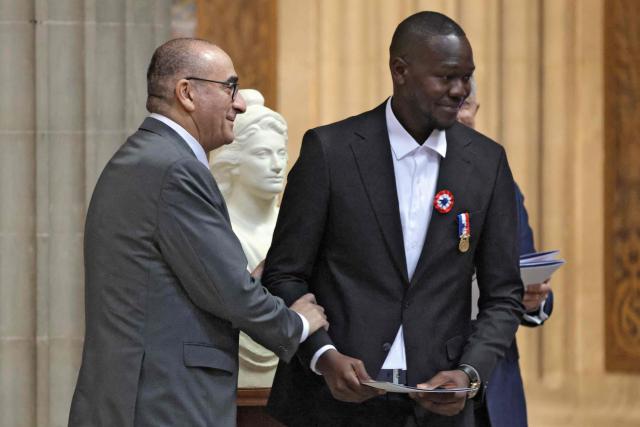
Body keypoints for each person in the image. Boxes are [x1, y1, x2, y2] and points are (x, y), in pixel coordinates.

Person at [263, 11, 525, 427]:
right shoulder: (330, 151)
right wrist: (322, 354)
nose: (460, 91)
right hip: (332, 405)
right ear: (400, 70)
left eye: (467, 78)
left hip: (439, 408)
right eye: (446, 77)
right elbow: (283, 275)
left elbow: (504, 295)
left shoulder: (487, 162)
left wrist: (469, 374)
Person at [68, 38, 328, 427]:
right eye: (230, 88)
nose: (239, 104)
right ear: (187, 93)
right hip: (164, 402)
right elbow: (230, 295)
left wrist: (248, 280)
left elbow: (189, 276)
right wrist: (298, 323)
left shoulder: (146, 156)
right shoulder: (175, 168)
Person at [458, 78, 554, 427]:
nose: (458, 112)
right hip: (427, 382)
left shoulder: (502, 183)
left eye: (465, 103)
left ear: (476, 112)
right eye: (449, 101)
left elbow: (527, 267)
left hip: (496, 389)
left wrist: (535, 300)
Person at [210, 88, 289, 388]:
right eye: (262, 153)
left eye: (280, 152)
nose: (276, 165)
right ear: (233, 161)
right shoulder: (217, 230)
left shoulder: (293, 225)